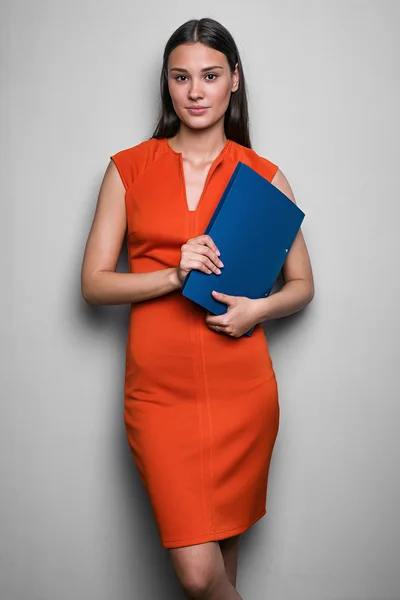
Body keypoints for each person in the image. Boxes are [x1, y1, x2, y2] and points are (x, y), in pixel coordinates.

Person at [81, 16, 314, 600]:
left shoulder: (264, 177)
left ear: (233, 80)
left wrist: (256, 312)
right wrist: (171, 274)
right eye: (180, 77)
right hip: (158, 396)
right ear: (167, 84)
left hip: (242, 393)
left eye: (210, 76)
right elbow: (94, 284)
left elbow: (303, 285)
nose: (195, 91)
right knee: (199, 575)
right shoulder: (128, 168)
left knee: (222, 574)